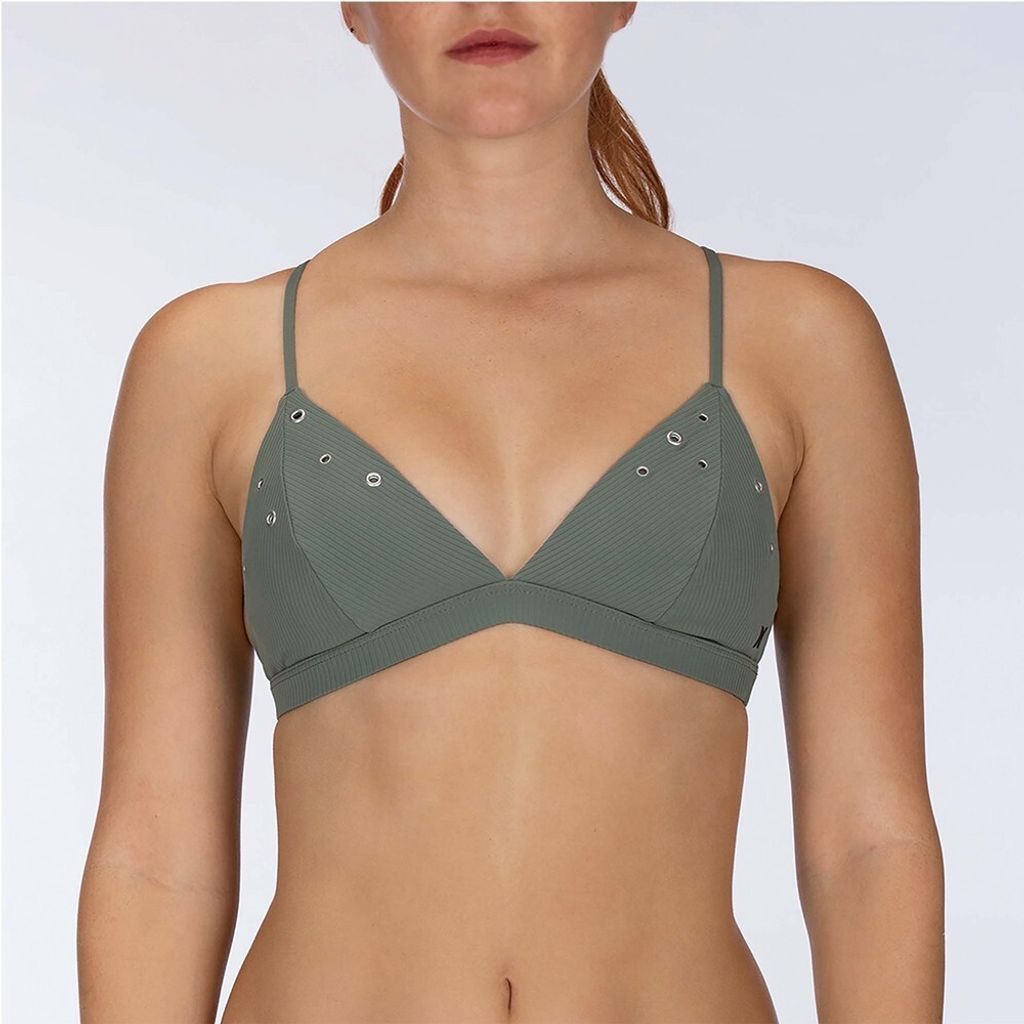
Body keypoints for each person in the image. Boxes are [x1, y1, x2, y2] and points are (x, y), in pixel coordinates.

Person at [78, 4, 944, 1021]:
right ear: (354, 7)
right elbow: (156, 858)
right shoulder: (210, 361)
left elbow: (867, 841)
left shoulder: (799, 343)